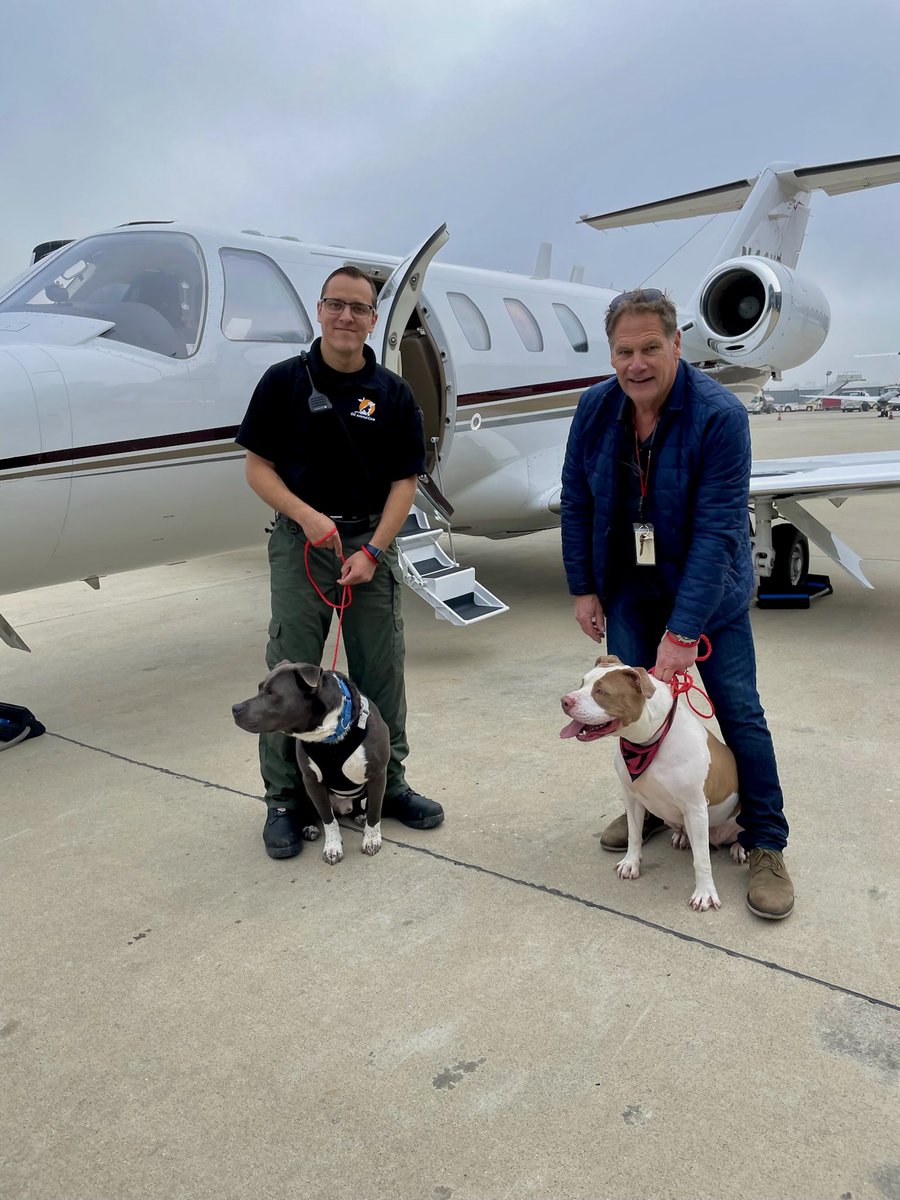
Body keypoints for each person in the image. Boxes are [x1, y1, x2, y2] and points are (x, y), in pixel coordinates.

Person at [560, 288, 794, 919]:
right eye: (624, 351)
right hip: (632, 588)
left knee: (739, 712)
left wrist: (685, 629)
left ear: (678, 344)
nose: (636, 364)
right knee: (629, 710)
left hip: (709, 593)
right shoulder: (595, 408)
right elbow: (577, 500)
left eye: (650, 348)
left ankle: (766, 838)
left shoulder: (719, 415)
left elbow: (720, 529)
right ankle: (658, 808)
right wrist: (583, 586)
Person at [236, 265, 444, 859]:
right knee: (288, 678)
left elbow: (405, 482)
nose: (347, 317)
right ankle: (284, 799)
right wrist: (306, 516)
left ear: (373, 319)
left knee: (381, 671)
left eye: (359, 308)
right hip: (303, 544)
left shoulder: (394, 394)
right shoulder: (282, 383)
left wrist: (375, 550)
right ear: (320, 310)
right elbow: (258, 468)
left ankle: (391, 782)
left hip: (369, 545)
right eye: (336, 305)